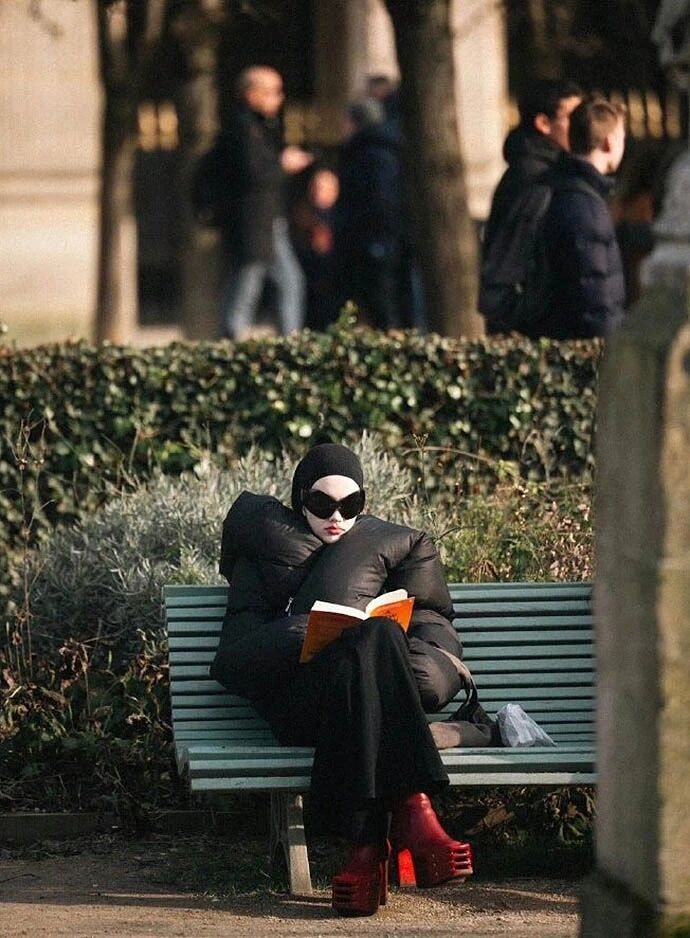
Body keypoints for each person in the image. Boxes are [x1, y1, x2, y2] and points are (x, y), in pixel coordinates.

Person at [209, 443, 473, 916]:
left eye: (350, 505)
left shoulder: (398, 552)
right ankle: (414, 811)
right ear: (299, 500)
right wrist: (302, 631)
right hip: (300, 706)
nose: (336, 517)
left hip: (368, 705)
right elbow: (232, 661)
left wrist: (382, 650)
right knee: (372, 643)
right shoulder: (259, 560)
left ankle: (366, 847)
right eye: (321, 503)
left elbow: (435, 633)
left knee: (376, 637)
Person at [479, 79, 583, 334]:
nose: (582, 126)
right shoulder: (536, 180)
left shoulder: (547, 173)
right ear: (543, 123)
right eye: (573, 118)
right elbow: (507, 263)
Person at [215, 66, 312, 340]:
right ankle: (236, 340)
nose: (279, 99)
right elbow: (253, 172)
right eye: (272, 92)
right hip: (254, 223)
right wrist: (283, 164)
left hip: (267, 221)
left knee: (287, 282)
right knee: (249, 284)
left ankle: (289, 340)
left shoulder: (262, 126)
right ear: (252, 94)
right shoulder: (243, 128)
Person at [538, 97, 627, 338]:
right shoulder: (586, 207)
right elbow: (595, 300)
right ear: (609, 142)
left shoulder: (565, 189)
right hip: (590, 346)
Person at [335, 97, 406, 331]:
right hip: (374, 238)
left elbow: (380, 200)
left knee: (381, 302)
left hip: (373, 240)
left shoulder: (372, 154)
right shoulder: (376, 150)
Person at [290, 166, 340, 330]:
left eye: (325, 187)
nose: (320, 192)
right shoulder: (302, 217)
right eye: (317, 187)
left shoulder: (342, 219)